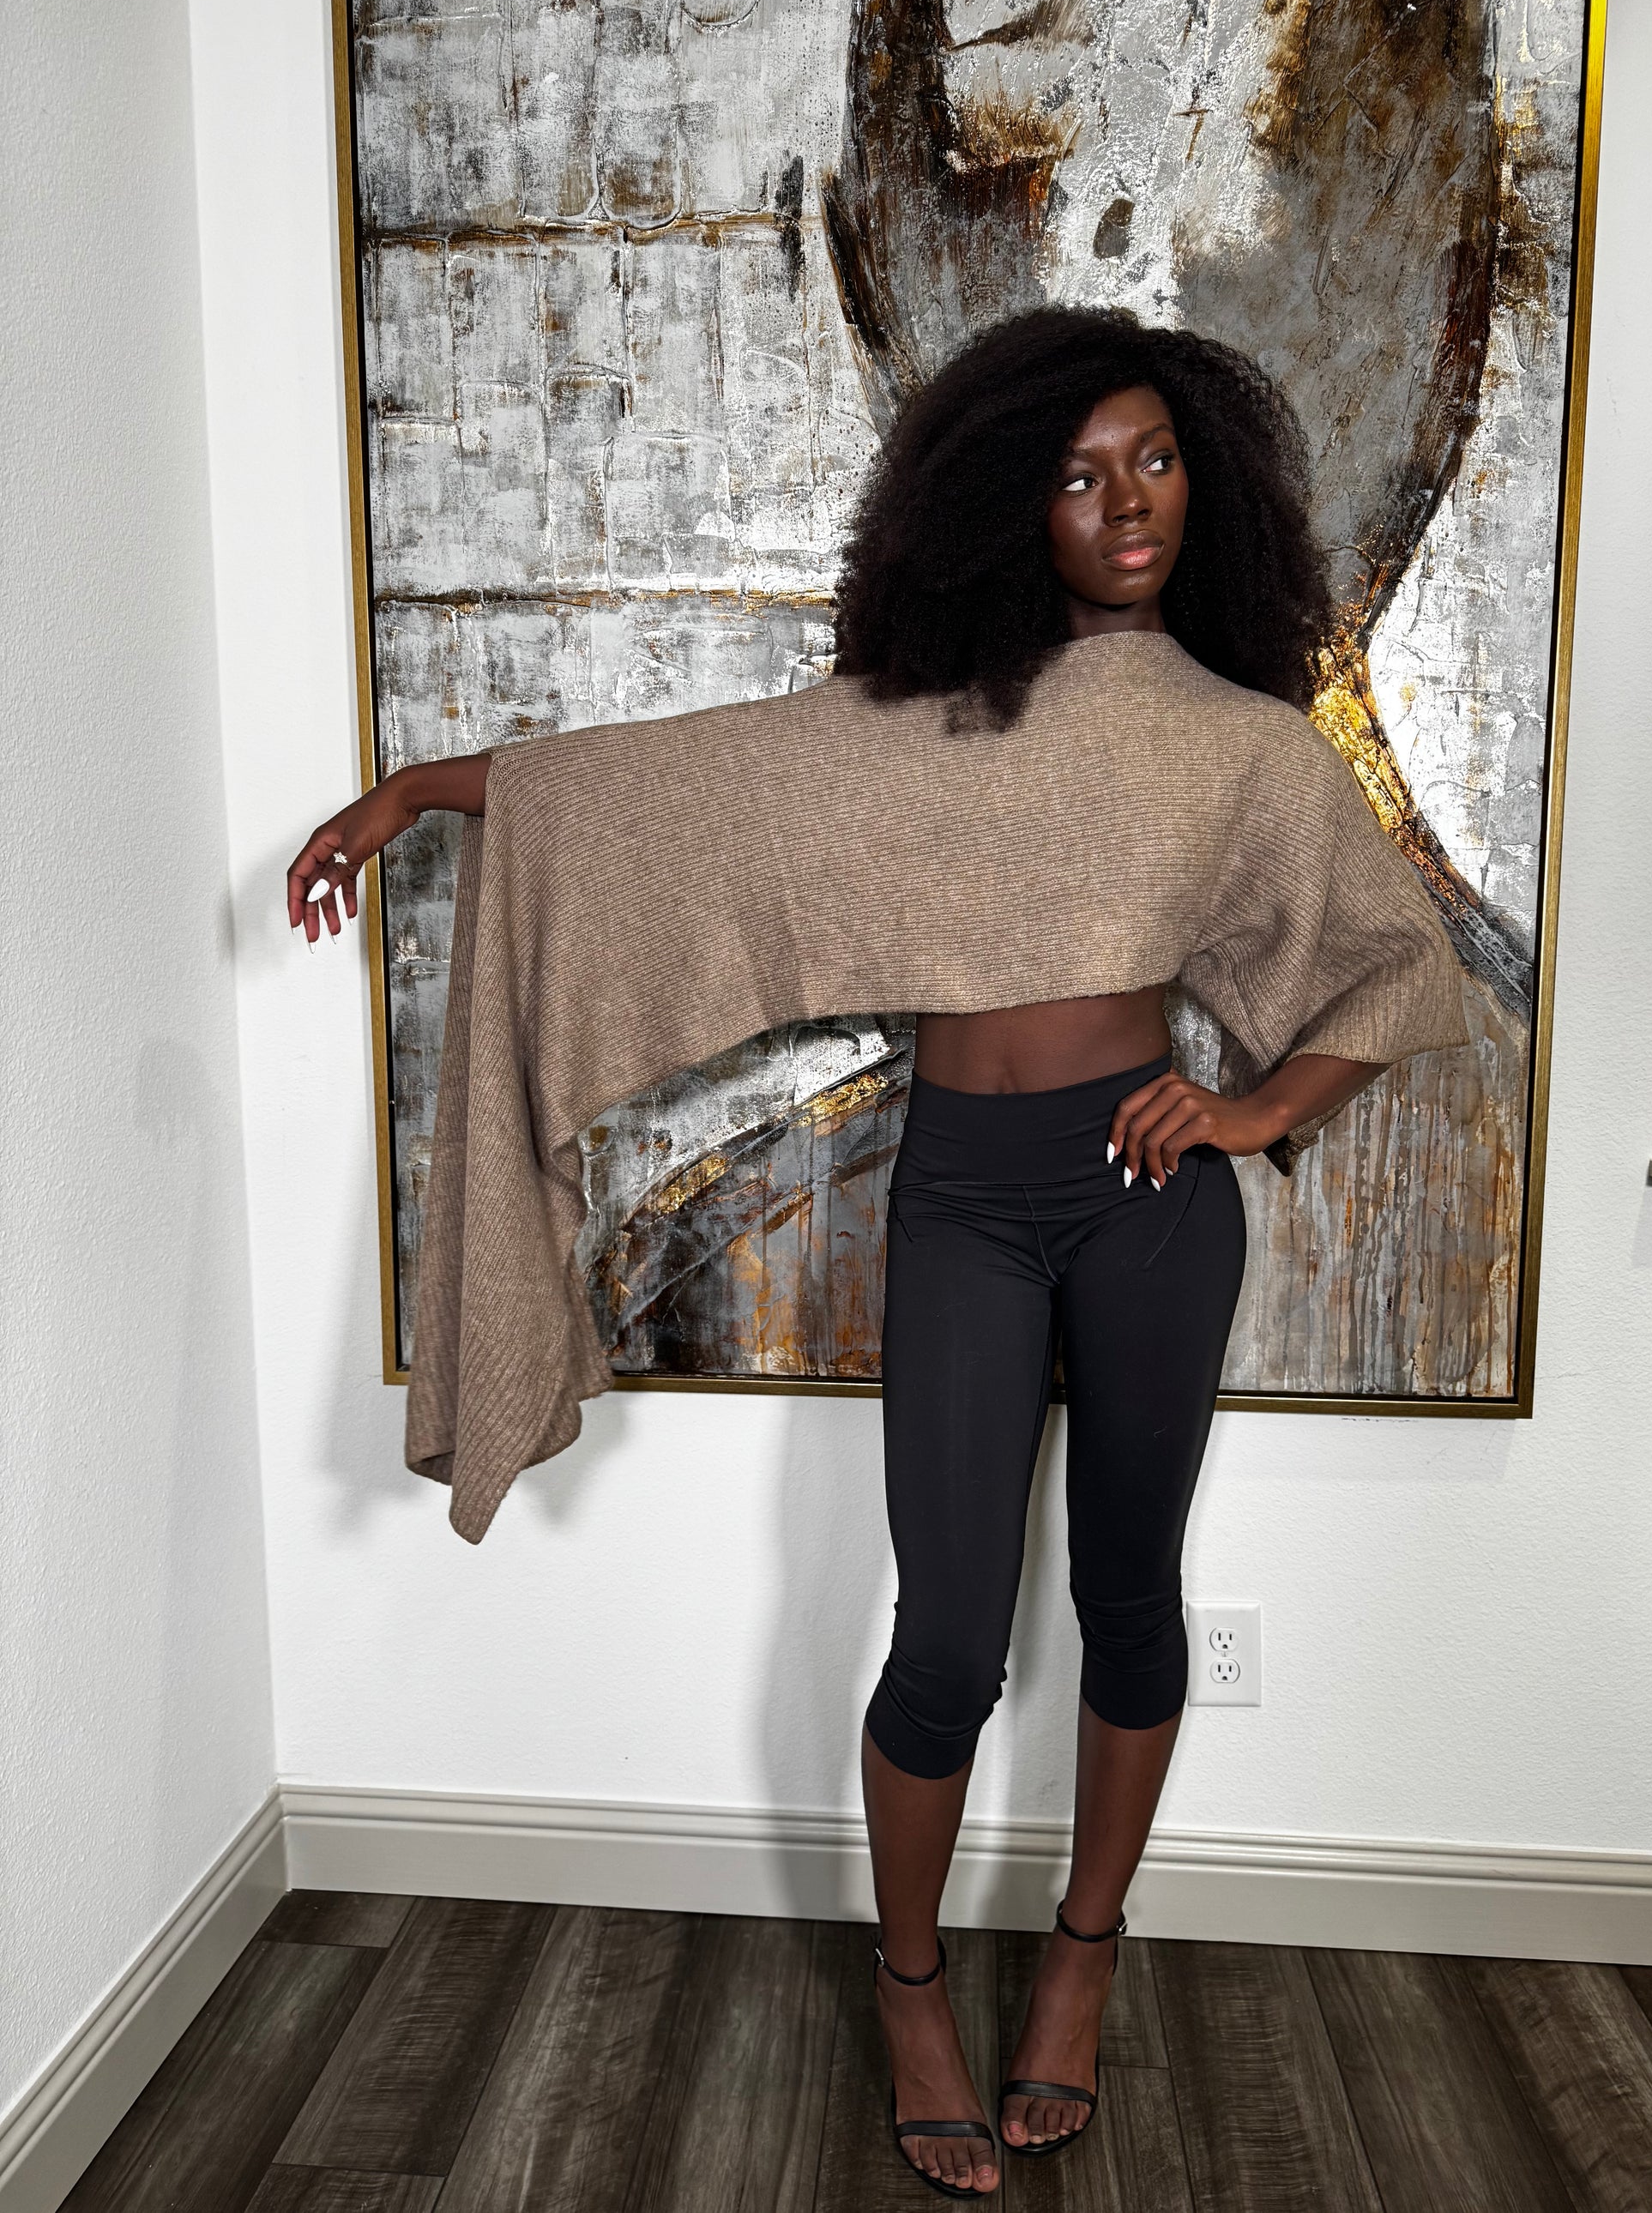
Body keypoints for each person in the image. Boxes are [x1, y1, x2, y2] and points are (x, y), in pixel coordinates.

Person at [287, 309, 1451, 2198]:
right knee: (948, 1639)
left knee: (1132, 1595)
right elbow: (664, 787)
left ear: (1207, 482)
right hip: (965, 1193)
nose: (1127, 501)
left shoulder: (1247, 751)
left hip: (1150, 1201)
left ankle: (1078, 1963)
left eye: (1154, 459)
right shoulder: (913, 724)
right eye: (1078, 473)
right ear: (1007, 507)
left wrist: (1248, 1111)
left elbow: (1389, 974)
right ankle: (912, 1991)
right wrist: (422, 789)